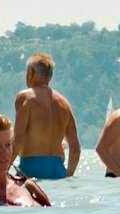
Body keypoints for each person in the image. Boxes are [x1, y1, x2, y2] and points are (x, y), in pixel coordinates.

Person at [13, 52, 81, 180]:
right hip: (58, 169)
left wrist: (3, 169)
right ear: (50, 76)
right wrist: (67, 175)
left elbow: (18, 139)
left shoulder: (26, 96)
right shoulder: (64, 103)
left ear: (30, 74)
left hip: (31, 167)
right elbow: (75, 148)